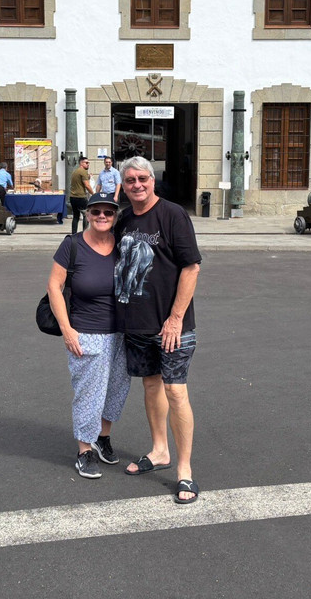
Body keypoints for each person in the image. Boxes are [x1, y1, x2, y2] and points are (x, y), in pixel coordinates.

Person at [114, 156, 202, 504]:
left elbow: (191, 267)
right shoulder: (123, 220)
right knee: (151, 386)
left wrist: (176, 318)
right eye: (131, 180)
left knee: (176, 391)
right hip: (137, 323)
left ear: (153, 181)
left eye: (142, 179)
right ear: (124, 184)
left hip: (172, 327)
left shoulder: (172, 214)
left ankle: (184, 471)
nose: (137, 185)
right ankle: (159, 451)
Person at [47, 192, 131, 479]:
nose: (102, 216)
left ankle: (103, 437)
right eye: (96, 211)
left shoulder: (122, 245)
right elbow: (54, 287)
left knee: (116, 389)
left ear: (116, 216)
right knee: (89, 393)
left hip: (122, 331)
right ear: (88, 214)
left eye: (108, 212)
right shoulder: (73, 245)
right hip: (86, 330)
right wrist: (67, 330)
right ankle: (85, 449)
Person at [68, 155, 94, 234]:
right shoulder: (83, 172)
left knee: (76, 217)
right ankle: (85, 234)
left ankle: (74, 234)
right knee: (86, 215)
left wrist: (88, 177)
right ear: (81, 163)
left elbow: (79, 182)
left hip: (73, 197)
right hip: (81, 197)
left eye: (88, 163)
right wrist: (93, 193)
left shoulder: (75, 171)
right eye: (86, 163)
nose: (88, 164)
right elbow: (87, 185)